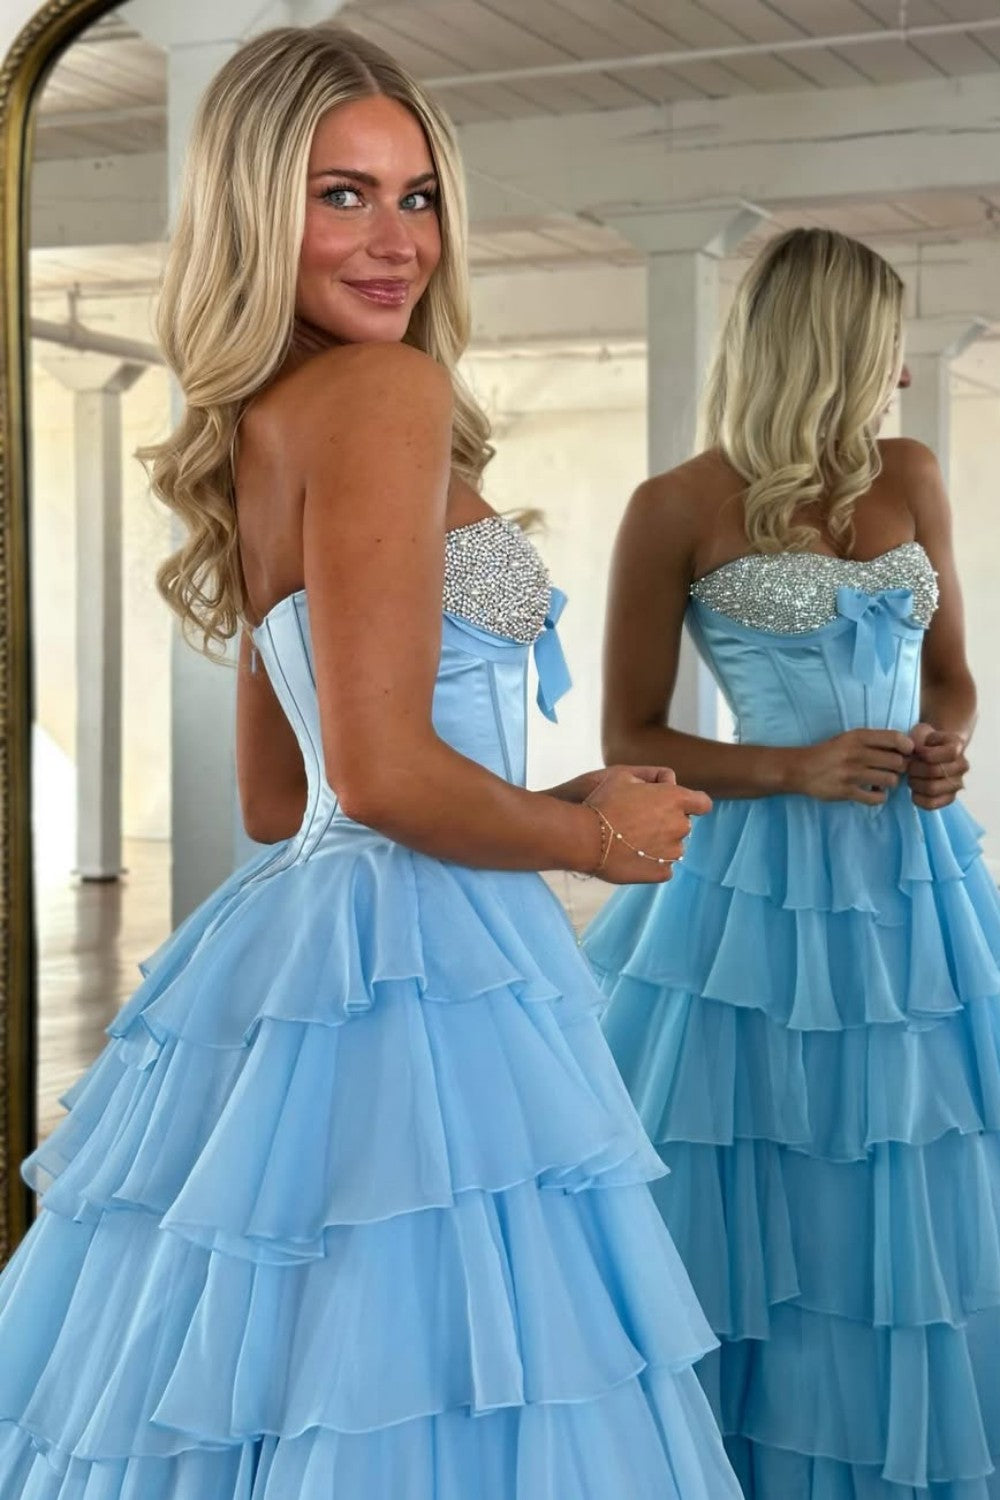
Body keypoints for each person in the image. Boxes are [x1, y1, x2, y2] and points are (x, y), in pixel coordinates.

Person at [0, 24, 743, 1500]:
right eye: (340, 195)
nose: (396, 240)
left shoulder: (258, 422)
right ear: (252, 209)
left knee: (296, 1369)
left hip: (315, 935)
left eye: (418, 197)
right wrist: (594, 839)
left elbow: (287, 799)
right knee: (453, 1372)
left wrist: (544, 801)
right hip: (426, 950)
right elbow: (388, 781)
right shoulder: (384, 395)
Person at [582, 227, 1000, 1498]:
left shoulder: (911, 474)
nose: (902, 375)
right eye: (885, 346)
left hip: (912, 878)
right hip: (753, 887)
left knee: (921, 1147)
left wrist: (944, 748)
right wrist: (792, 766)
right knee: (767, 1155)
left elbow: (951, 677)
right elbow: (630, 738)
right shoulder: (672, 506)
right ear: (828, 346)